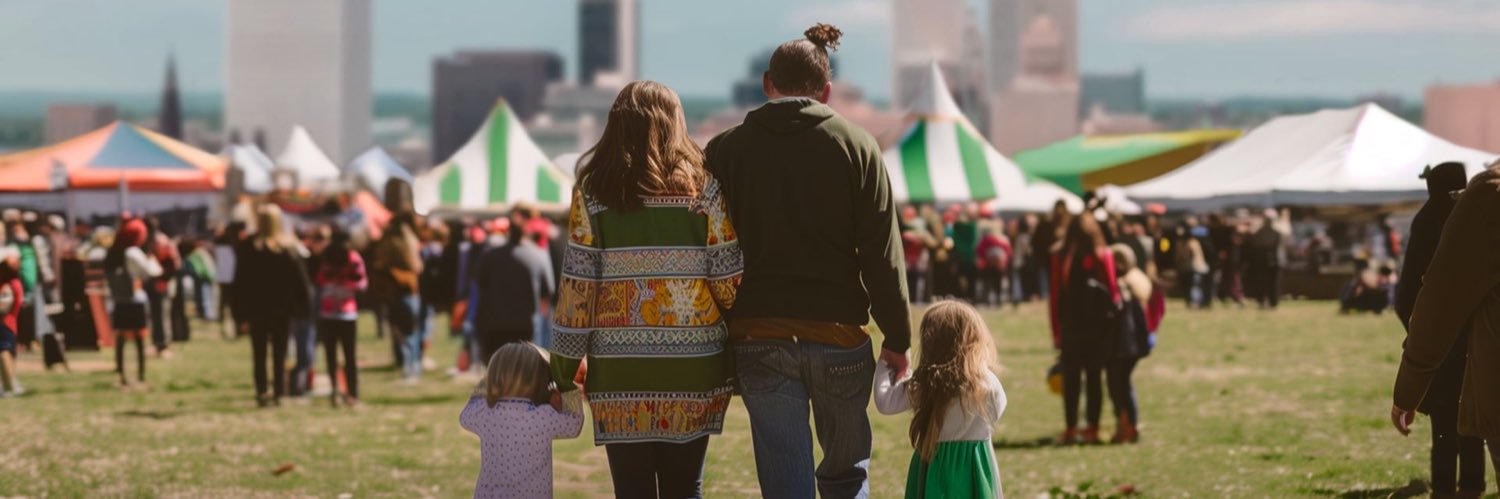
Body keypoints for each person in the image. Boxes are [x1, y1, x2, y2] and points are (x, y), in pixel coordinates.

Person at [704, 24, 912, 498]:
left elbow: (710, 252)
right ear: (826, 90)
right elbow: (882, 255)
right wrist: (897, 336)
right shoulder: (858, 146)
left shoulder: (724, 151)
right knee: (845, 475)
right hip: (838, 334)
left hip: (758, 332)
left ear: (766, 84)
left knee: (784, 484)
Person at [550, 80, 741, 498]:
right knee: (685, 488)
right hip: (695, 368)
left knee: (631, 491)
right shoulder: (704, 191)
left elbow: (577, 291)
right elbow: (729, 284)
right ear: (676, 124)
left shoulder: (594, 194)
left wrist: (562, 371)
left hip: (621, 373)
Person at [1392, 162, 1500, 483]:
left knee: (1448, 424)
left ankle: (1451, 487)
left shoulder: (1488, 195)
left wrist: (1409, 387)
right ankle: (1469, 485)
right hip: (1467, 348)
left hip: (1467, 352)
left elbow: (1436, 300)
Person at [873, 301, 1007, 498]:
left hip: (933, 468)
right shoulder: (986, 384)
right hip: (974, 470)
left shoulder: (926, 385)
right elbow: (998, 410)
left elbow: (886, 402)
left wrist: (886, 364)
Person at [460, 342, 583, 499]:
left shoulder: (486, 412)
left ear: (495, 376)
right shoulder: (544, 416)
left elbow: (465, 417)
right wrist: (567, 389)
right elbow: (574, 424)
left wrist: (486, 382)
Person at [1049, 215, 1119, 445]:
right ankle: (1092, 427)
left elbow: (1055, 295)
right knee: (1094, 378)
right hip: (1098, 328)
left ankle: (1070, 428)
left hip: (1071, 326)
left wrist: (1056, 331)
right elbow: (1112, 291)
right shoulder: (1103, 255)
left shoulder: (1062, 257)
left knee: (1072, 380)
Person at [233, 205, 313, 407]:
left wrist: (239, 314)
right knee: (280, 352)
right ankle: (278, 391)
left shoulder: (248, 247)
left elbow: (239, 283)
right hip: (282, 310)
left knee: (259, 353)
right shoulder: (287, 248)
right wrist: (304, 308)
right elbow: (301, 283)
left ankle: (261, 391)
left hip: (256, 309)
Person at [473, 207, 553, 368]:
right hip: (524, 325)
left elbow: (478, 282)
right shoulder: (538, 255)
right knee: (522, 372)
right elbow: (548, 290)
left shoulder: (490, 255)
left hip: (494, 324)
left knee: (496, 373)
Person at [1108, 243, 1158, 444]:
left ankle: (1128, 425)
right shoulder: (1140, 276)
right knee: (1123, 382)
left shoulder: (1126, 282)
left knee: (1119, 383)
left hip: (1127, 340)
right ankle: (1128, 424)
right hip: (1139, 338)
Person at [104, 219, 161, 387]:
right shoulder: (133, 252)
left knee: (120, 338)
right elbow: (148, 272)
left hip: (118, 301)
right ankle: (140, 375)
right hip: (135, 299)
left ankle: (121, 373)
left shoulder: (113, 252)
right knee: (138, 338)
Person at [314, 226, 366, 409]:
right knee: (350, 355)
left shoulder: (324, 258)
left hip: (328, 311)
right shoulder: (353, 258)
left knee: (331, 355)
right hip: (347, 312)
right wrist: (346, 285)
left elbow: (318, 280)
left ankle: (335, 390)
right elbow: (362, 283)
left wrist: (332, 284)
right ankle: (352, 393)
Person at [369, 212, 424, 381]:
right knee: (412, 333)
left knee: (405, 335)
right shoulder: (410, 243)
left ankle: (410, 369)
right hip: (410, 294)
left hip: (399, 295)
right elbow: (418, 268)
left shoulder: (392, 245)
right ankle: (413, 368)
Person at [1244, 210, 1284, 310]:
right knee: (1269, 283)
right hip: (1270, 262)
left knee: (1264, 282)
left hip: (1265, 262)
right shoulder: (1275, 233)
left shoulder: (1260, 233)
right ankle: (1270, 302)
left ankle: (1265, 301)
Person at [0, 242, 24, 396]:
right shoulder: (8, 285)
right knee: (5, 351)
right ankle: (9, 385)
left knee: (7, 351)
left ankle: (8, 384)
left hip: (8, 322)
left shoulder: (9, 284)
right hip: (5, 323)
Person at [214, 222, 245, 339]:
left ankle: (225, 322)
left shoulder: (221, 241)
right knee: (234, 305)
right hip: (233, 277)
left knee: (225, 303)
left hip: (225, 276)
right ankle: (237, 327)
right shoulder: (237, 244)